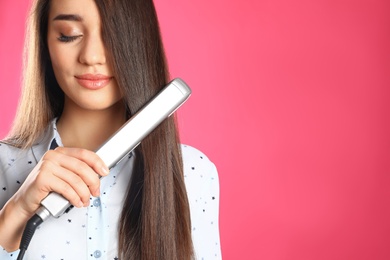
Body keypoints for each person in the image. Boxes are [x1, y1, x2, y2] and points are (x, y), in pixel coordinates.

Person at [0, 0, 221, 259]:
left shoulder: (192, 173)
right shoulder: (4, 167)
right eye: (68, 35)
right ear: (45, 44)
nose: (92, 56)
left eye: (114, 35)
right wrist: (13, 214)